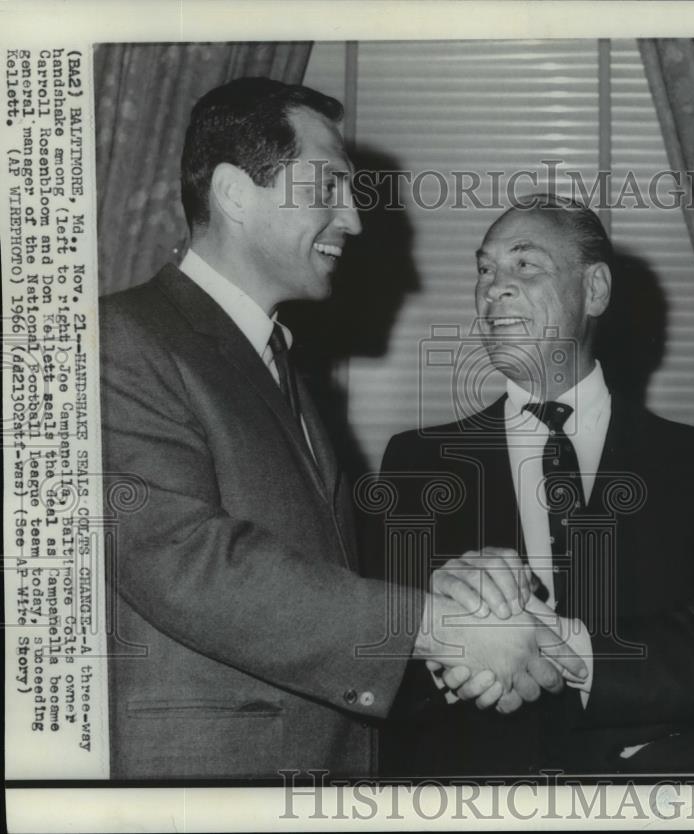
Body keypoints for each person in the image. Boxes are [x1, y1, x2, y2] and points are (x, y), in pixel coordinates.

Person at [98, 78, 584, 780]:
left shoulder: (274, 359)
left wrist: (449, 593)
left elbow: (308, 569)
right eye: (328, 188)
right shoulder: (119, 339)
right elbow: (186, 561)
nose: (353, 221)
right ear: (235, 194)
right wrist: (438, 627)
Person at [367, 193, 694, 776]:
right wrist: (450, 659)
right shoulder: (416, 463)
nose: (494, 289)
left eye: (524, 265)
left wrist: (564, 649)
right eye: (484, 270)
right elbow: (380, 653)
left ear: (595, 291)